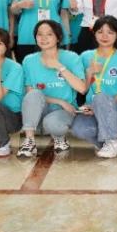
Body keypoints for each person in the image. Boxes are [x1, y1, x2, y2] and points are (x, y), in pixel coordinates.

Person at [16, 20, 86, 156]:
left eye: (49, 34)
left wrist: (60, 67)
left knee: (52, 123)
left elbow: (82, 88)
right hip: (38, 111)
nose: (44, 38)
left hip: (63, 112)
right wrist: (60, 101)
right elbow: (30, 92)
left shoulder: (71, 58)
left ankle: (59, 137)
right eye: (39, 34)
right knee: (34, 94)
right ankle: (29, 141)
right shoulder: (29, 60)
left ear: (58, 38)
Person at [70, 16, 117, 157]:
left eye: (110, 32)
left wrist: (101, 103)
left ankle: (112, 141)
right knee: (79, 129)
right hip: (91, 109)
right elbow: (83, 90)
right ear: (94, 33)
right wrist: (89, 74)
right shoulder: (85, 57)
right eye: (100, 32)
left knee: (101, 98)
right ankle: (107, 144)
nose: (104, 36)